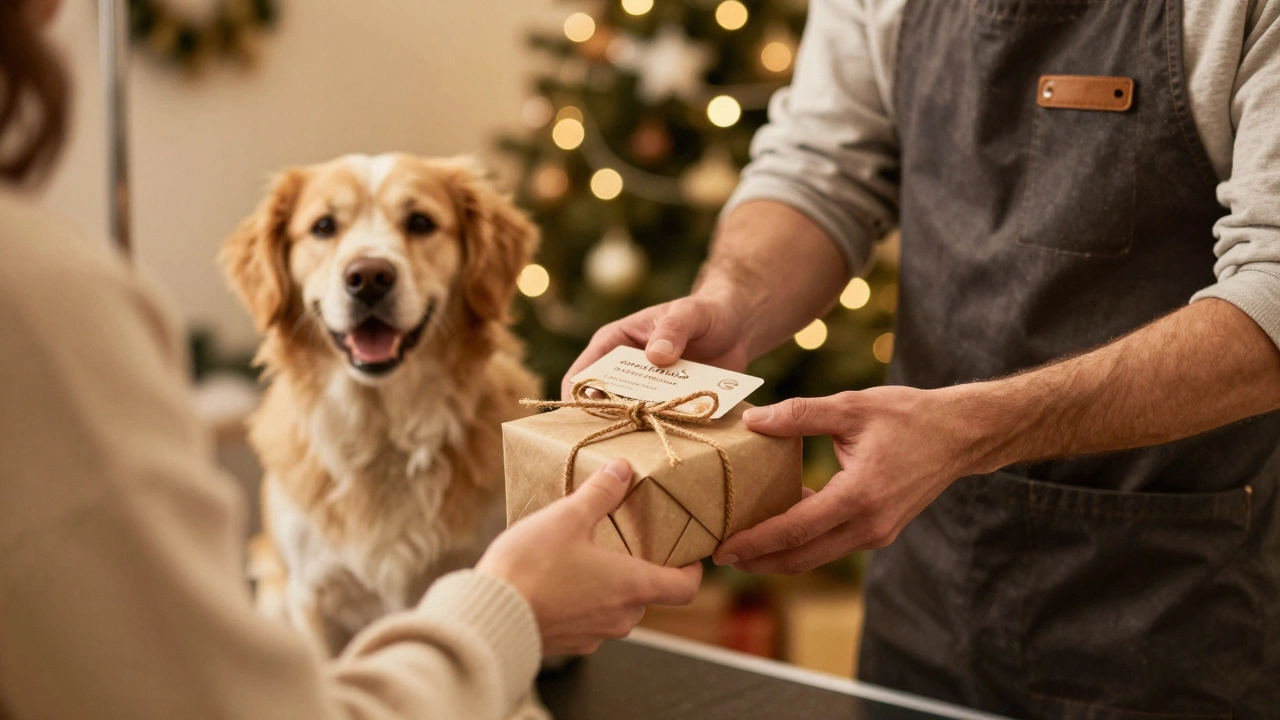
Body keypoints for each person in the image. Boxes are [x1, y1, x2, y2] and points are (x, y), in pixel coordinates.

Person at [567, 0, 1280, 717]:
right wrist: (732, 303)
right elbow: (820, 169)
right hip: (927, 591)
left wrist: (968, 430)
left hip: (1180, 610)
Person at [0, 2, 700, 719]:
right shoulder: (34, 301)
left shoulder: (512, 453)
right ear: (277, 269)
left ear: (475, 263)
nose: (368, 265)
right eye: (326, 229)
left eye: (418, 224)